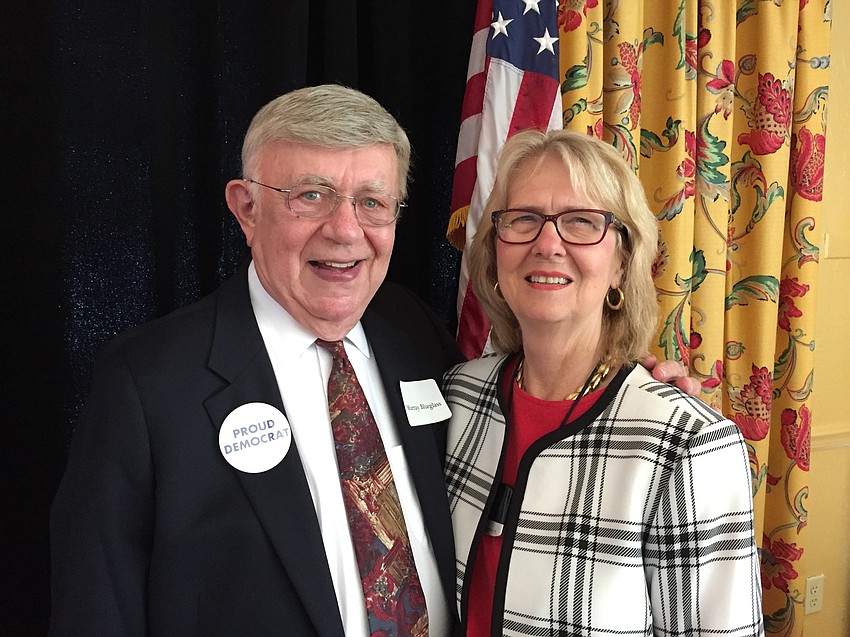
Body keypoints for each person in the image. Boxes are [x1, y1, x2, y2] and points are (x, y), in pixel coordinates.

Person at [50, 85, 698, 637]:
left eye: (372, 201)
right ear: (246, 209)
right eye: (311, 195)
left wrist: (628, 386)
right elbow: (95, 608)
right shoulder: (147, 385)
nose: (345, 229)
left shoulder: (413, 334)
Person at [443, 129, 763, 637]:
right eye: (524, 219)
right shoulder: (458, 398)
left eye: (581, 222)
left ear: (621, 262)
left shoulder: (684, 443)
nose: (548, 243)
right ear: (495, 251)